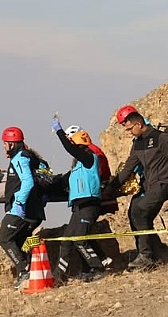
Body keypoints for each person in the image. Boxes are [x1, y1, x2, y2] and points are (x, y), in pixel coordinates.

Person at [107, 111, 168, 271]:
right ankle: (157, 251)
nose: (128, 132)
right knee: (134, 211)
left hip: (166, 183)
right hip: (150, 184)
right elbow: (129, 167)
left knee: (141, 210)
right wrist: (110, 188)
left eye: (129, 129)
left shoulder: (161, 138)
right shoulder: (138, 143)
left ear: (138, 124)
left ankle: (146, 256)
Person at [50, 119, 107, 284]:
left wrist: (59, 132)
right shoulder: (77, 166)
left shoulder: (89, 157)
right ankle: (58, 276)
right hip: (78, 206)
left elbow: (70, 149)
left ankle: (98, 268)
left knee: (80, 238)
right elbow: (61, 181)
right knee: (67, 240)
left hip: (89, 205)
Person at [0, 126, 47, 290]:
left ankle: (24, 271)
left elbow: (28, 182)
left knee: (4, 238)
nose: (4, 147)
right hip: (35, 210)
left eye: (5, 144)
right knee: (18, 241)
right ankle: (30, 273)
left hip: (23, 210)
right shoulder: (30, 157)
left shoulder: (20, 158)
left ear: (11, 144)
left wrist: (18, 203)